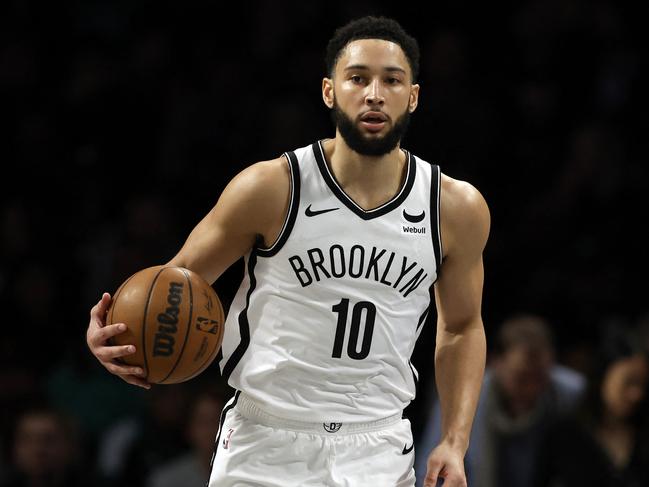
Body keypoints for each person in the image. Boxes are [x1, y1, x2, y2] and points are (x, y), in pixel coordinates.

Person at [86, 15, 490, 487]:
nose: (374, 93)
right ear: (329, 91)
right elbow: (174, 287)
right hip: (266, 439)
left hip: (378, 445)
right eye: (358, 78)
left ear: (413, 96)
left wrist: (455, 440)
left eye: (392, 80)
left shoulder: (454, 207)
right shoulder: (272, 187)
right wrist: (115, 336)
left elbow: (462, 327)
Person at [415, 314, 585, 487]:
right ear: (496, 363)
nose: (532, 388)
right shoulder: (464, 398)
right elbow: (431, 467)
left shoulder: (571, 394)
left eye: (540, 378)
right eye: (522, 379)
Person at [534, 325, 649, 487]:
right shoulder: (565, 435)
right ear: (603, 377)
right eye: (628, 383)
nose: (636, 394)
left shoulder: (643, 436)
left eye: (643, 385)